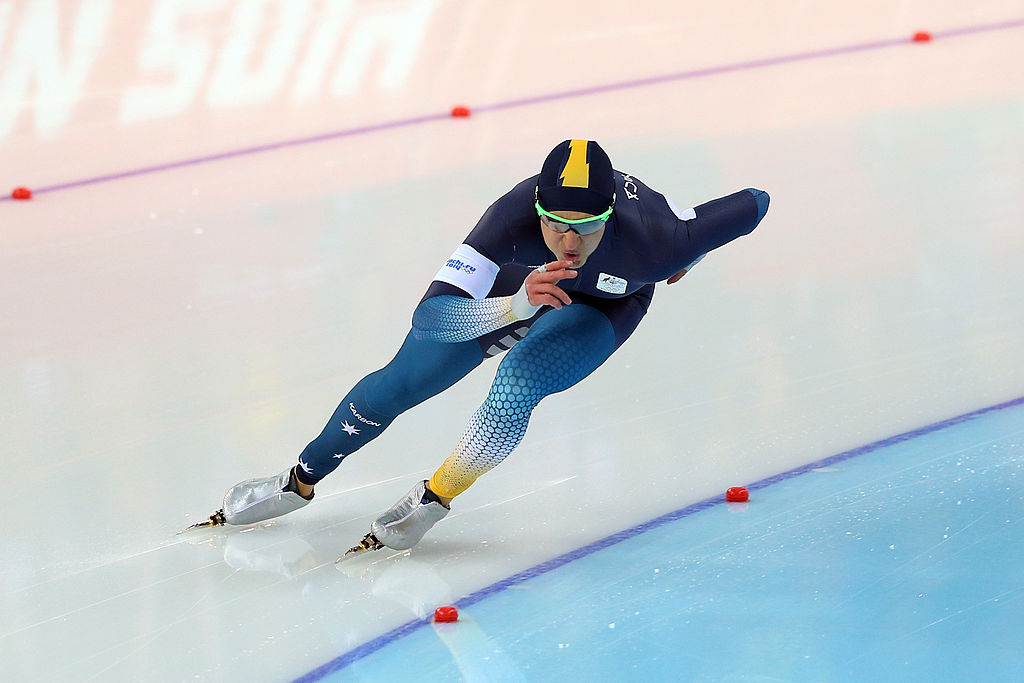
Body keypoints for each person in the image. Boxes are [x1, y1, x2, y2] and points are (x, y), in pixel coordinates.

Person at [194, 139, 769, 553]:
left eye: (587, 227)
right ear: (536, 211)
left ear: (612, 216)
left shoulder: (660, 238)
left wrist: (690, 254)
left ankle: (434, 497)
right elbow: (433, 319)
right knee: (402, 380)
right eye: (556, 225)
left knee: (517, 379)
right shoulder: (507, 220)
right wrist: (517, 304)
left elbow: (756, 201)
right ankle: (297, 480)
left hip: (605, 303)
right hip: (511, 287)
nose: (569, 243)